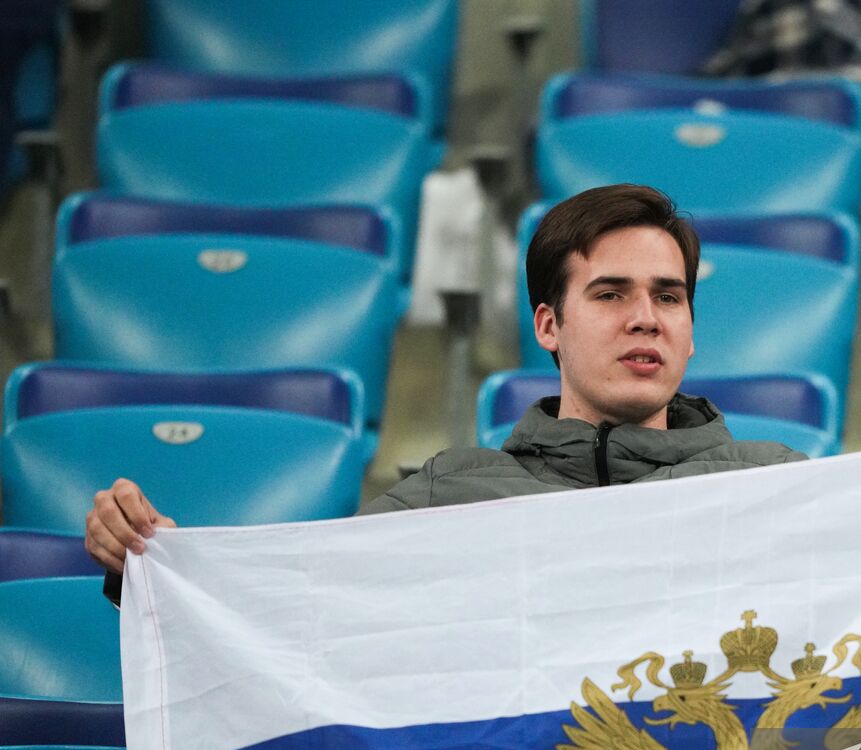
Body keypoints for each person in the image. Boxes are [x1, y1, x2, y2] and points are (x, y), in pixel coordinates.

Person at [82, 184, 807, 574]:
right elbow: (294, 597)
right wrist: (156, 566)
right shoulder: (448, 494)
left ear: (689, 329)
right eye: (611, 294)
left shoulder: (777, 487)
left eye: (669, 296)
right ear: (548, 326)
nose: (646, 318)